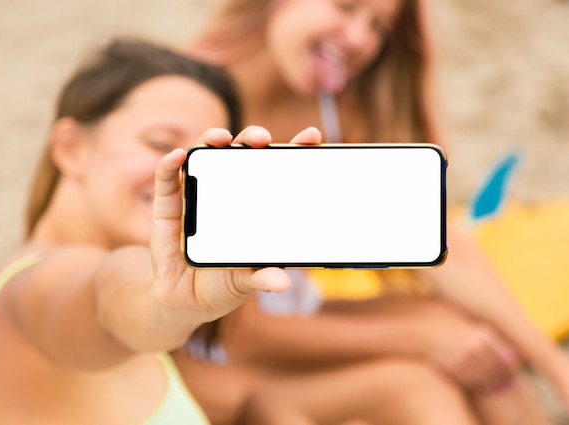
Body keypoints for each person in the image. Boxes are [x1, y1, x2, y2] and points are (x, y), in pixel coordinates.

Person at [177, 0, 569, 423]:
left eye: (379, 26)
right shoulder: (188, 103)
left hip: (285, 318)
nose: (362, 39)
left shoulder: (334, 104)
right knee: (419, 383)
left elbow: (438, 238)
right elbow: (242, 332)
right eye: (345, 7)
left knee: (479, 345)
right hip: (208, 355)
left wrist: (554, 367)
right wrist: (421, 338)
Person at [0, 37, 327, 425]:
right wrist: (166, 303)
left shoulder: (16, 278)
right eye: (160, 144)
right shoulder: (42, 284)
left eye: (203, 161)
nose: (181, 175)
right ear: (71, 148)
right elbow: (105, 296)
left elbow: (239, 397)